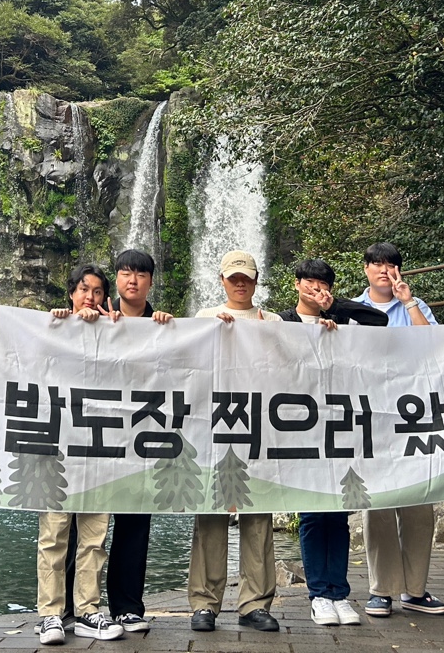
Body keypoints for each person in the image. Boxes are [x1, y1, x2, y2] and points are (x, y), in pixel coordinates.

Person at [353, 243, 444, 618]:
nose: (384, 270)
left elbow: (435, 345)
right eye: (377, 263)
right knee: (378, 504)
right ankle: (381, 590)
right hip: (372, 416)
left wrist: (408, 302)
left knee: (419, 503)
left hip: (414, 414)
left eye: (391, 264)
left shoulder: (415, 305)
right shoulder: (350, 310)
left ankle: (416, 590)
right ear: (366, 269)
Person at [187, 250, 281, 634]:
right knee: (211, 514)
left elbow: (292, 367)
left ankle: (255, 603)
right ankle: (204, 603)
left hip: (260, 427)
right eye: (233, 277)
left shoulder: (272, 321)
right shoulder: (204, 317)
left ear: (256, 281)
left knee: (259, 516)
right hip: (216, 426)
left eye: (247, 277)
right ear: (222, 280)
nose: (240, 283)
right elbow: (187, 365)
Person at [36, 264, 125, 646]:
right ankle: (50, 615)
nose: (90, 297)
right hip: (57, 448)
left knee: (94, 536)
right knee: (54, 534)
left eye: (98, 291)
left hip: (98, 448)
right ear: (71, 293)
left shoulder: (115, 332)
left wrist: (121, 329)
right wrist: (57, 324)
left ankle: (88, 610)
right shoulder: (53, 328)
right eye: (84, 290)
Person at [279, 259, 365, 627]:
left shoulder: (341, 320)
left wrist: (336, 310)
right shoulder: (282, 322)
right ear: (297, 284)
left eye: (323, 284)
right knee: (313, 514)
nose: (316, 288)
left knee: (338, 513)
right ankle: (319, 595)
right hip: (299, 429)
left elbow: (380, 321)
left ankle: (339, 593)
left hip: (339, 427)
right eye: (310, 282)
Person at [103, 249, 173, 635]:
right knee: (84, 526)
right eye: (126, 273)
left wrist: (169, 330)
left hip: (140, 437)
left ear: (150, 281)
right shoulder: (94, 318)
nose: (133, 280)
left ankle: (127, 607)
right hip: (96, 437)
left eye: (141, 274)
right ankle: (72, 608)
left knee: (134, 524)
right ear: (116, 278)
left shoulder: (162, 325)